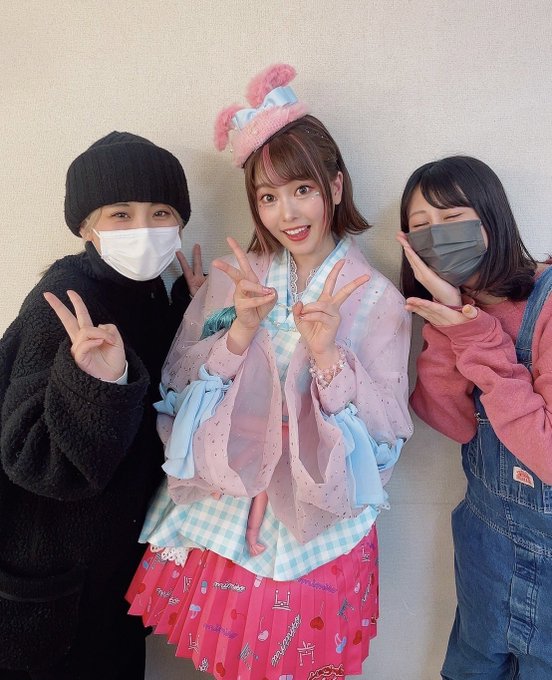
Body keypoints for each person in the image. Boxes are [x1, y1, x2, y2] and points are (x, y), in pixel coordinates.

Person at [126, 64, 412, 680]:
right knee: (228, 662)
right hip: (229, 498)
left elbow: (385, 437)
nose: (287, 212)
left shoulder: (377, 300)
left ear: (335, 185)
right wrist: (239, 333)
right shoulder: (236, 278)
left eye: (302, 188)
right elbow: (180, 389)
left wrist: (329, 358)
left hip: (315, 515)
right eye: (268, 196)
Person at [0, 131, 204, 679]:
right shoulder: (65, 304)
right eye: (120, 214)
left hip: (109, 578)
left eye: (160, 212)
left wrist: (189, 309)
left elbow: (156, 389)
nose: (143, 228)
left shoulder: (145, 292)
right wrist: (98, 384)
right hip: (52, 596)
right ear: (86, 227)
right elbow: (34, 459)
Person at [396, 155, 552, 680]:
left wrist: (476, 336)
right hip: (486, 550)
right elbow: (453, 423)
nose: (437, 236)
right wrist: (448, 324)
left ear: (492, 214)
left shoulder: (547, 303)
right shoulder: (455, 305)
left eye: (453, 217)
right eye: (421, 226)